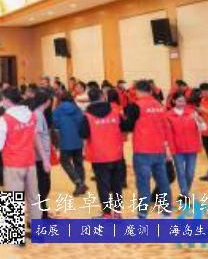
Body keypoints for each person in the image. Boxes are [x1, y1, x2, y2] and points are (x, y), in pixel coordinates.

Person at [122, 80, 173, 219]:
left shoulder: (136, 106)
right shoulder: (159, 105)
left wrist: (121, 120)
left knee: (143, 183)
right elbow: (166, 127)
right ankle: (167, 213)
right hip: (159, 150)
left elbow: (127, 126)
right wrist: (168, 148)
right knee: (163, 182)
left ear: (137, 91)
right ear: (150, 91)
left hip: (143, 150)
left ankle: (142, 214)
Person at [0, 87, 43, 231]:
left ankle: (15, 232)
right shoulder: (32, 115)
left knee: (13, 199)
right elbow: (34, 135)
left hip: (13, 163)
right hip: (30, 162)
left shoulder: (5, 119)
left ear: (7, 100)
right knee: (33, 197)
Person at [79, 87, 126, 218]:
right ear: (103, 97)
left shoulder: (87, 116)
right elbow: (124, 126)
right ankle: (117, 212)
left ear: (90, 99)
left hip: (98, 155)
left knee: (103, 185)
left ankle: (107, 214)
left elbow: (83, 133)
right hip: (116, 153)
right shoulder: (115, 112)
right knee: (117, 184)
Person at [166, 92, 207, 200]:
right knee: (180, 172)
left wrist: (200, 120)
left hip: (192, 148)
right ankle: (184, 194)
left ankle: (184, 193)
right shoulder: (168, 115)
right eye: (179, 101)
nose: (182, 103)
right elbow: (166, 133)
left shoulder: (192, 112)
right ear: (174, 101)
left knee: (190, 173)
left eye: (183, 101)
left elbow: (203, 128)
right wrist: (168, 148)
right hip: (177, 148)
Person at [52, 91, 87, 196]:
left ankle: (79, 183)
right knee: (78, 163)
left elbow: (55, 124)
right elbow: (82, 122)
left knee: (65, 162)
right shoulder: (77, 109)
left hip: (65, 140)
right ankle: (81, 184)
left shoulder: (58, 110)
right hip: (78, 140)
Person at [31, 90, 52, 219]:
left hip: (40, 156)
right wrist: (44, 159)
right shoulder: (38, 115)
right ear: (47, 101)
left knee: (43, 186)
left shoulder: (38, 114)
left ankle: (43, 213)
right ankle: (41, 215)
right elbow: (36, 136)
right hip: (39, 157)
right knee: (42, 187)